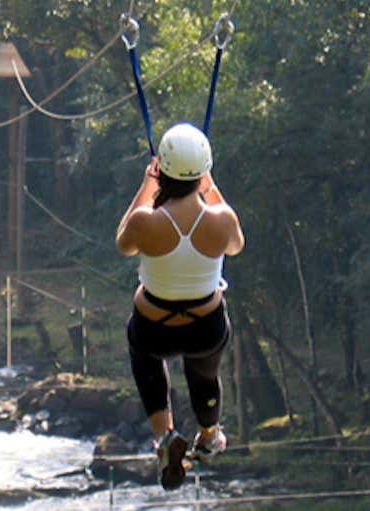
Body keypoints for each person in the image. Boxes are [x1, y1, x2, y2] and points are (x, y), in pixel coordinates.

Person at [114, 123, 244, 490]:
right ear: (203, 171)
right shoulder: (222, 220)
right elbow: (235, 246)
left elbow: (124, 242)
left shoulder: (146, 221)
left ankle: (165, 436)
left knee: (146, 361)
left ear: (162, 171)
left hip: (153, 327)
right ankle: (209, 434)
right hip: (206, 326)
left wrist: (147, 185)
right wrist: (210, 185)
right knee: (204, 374)